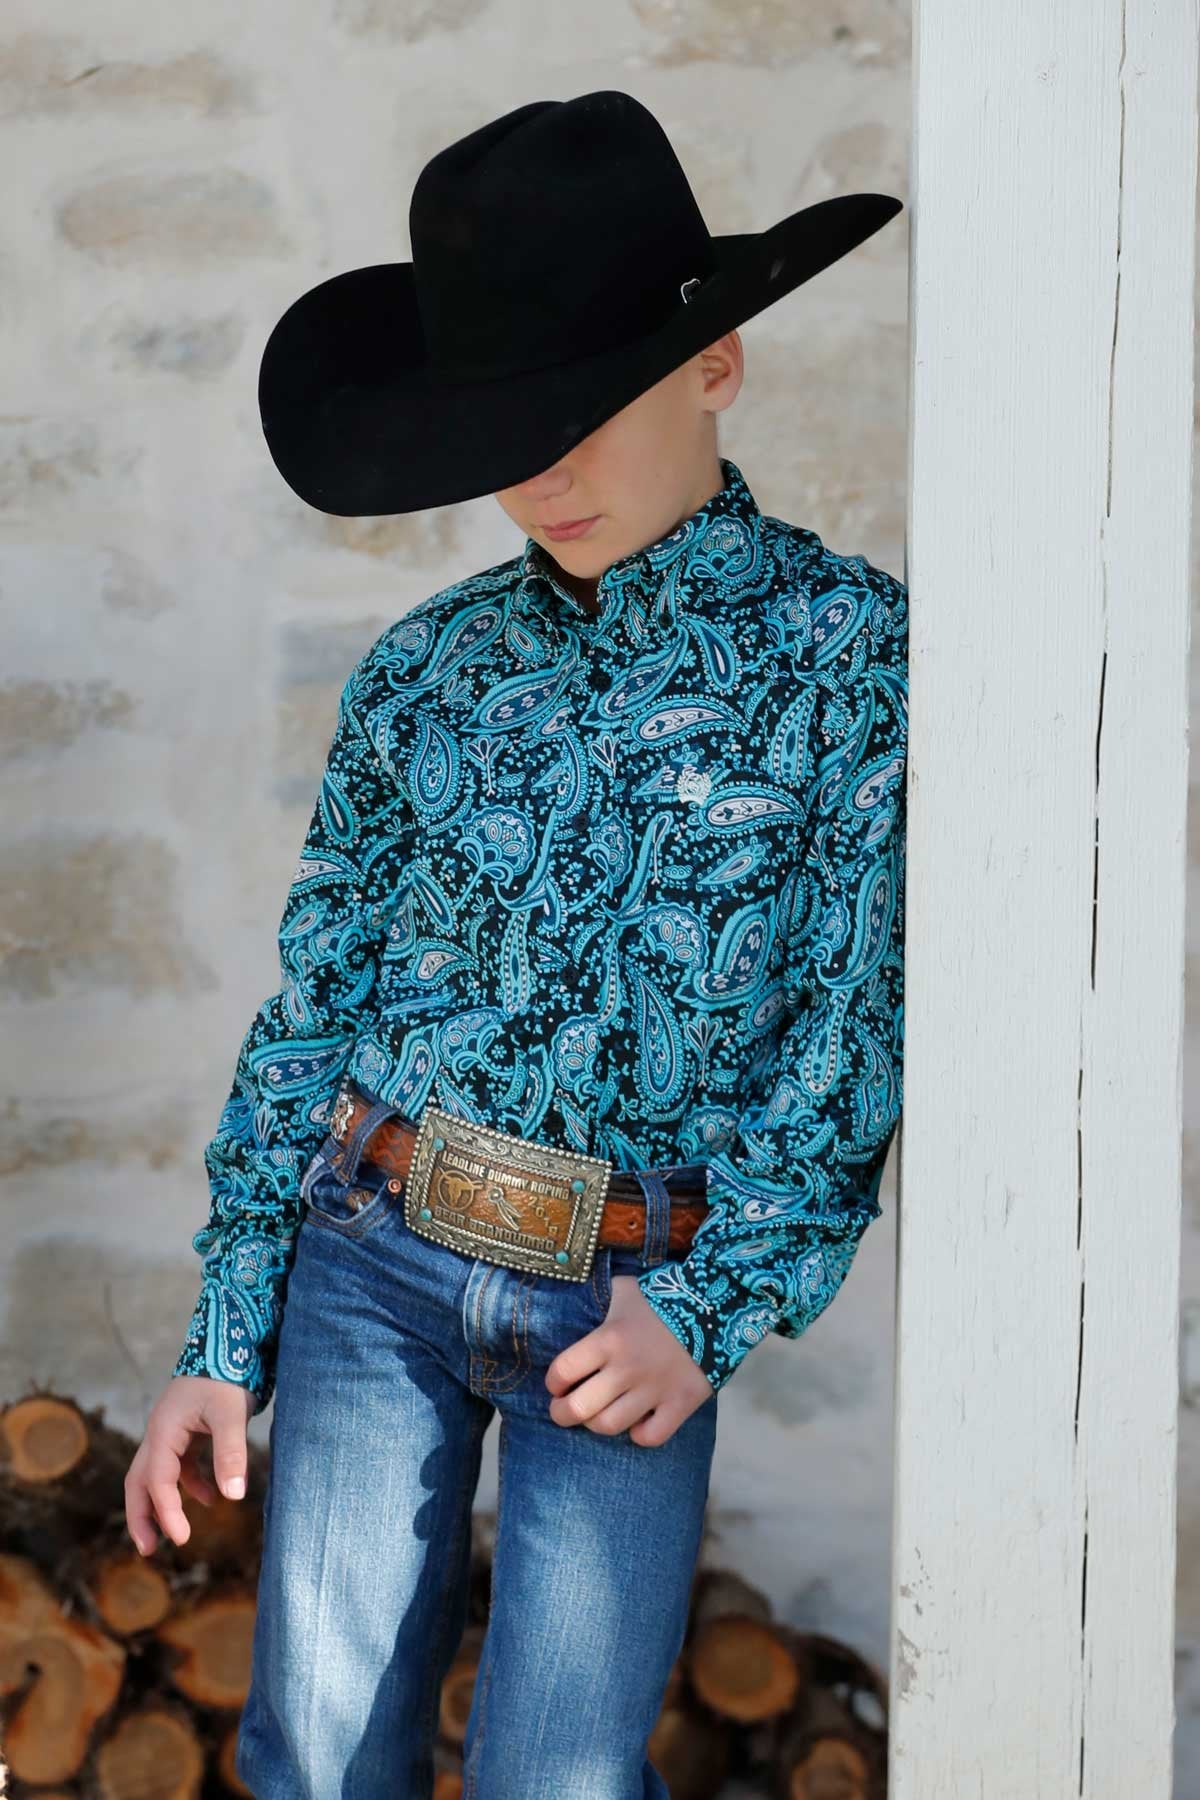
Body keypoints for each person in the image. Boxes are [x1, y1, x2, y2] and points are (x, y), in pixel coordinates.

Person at [124, 90, 908, 1798]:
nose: (539, 473)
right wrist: (221, 1329)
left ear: (718, 365)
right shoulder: (425, 671)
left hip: (630, 1304)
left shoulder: (854, 663)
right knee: (317, 1755)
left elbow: (853, 1031)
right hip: (367, 1265)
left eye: (586, 409)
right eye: (501, 422)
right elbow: (317, 1002)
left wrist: (710, 1308)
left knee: (564, 1776)